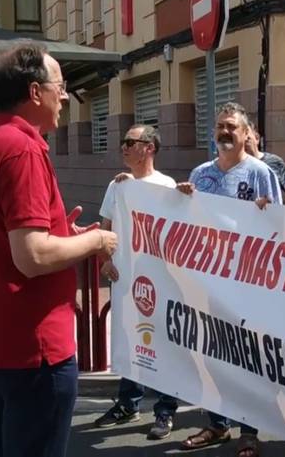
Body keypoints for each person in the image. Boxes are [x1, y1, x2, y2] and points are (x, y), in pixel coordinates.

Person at [0, 43, 118, 457]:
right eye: (60, 87)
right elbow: (33, 256)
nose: (64, 96)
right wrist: (96, 241)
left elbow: (3, 235)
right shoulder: (22, 148)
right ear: (34, 92)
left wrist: (65, 231)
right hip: (33, 348)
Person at [177, 102, 281, 457]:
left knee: (248, 359)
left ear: (246, 134)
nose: (225, 131)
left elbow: (278, 227)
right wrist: (181, 201)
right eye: (220, 125)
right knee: (213, 356)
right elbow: (185, 224)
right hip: (209, 283)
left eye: (232, 127)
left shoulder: (260, 173)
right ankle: (217, 423)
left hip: (248, 286)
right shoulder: (200, 174)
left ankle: (249, 431)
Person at [93, 124, 179, 439]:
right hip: (126, 278)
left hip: (158, 280)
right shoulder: (117, 186)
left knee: (161, 342)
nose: (124, 147)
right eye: (123, 142)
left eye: (131, 142)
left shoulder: (166, 185)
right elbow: (106, 227)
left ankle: (166, 411)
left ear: (150, 148)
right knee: (130, 339)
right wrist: (105, 261)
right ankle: (128, 404)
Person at [245, 123, 285, 199]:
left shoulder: (274, 162)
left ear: (257, 138)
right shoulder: (232, 165)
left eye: (247, 139)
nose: (243, 144)